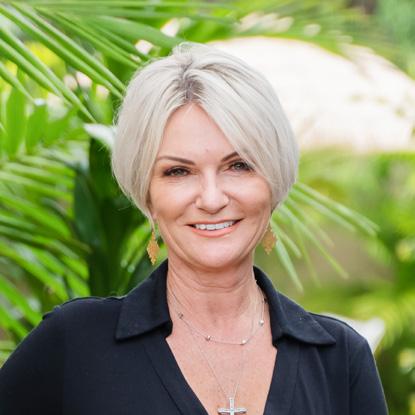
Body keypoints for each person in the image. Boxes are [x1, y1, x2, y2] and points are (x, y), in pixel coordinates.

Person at [0, 42, 388, 415]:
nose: (212, 198)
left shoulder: (340, 360)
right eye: (178, 171)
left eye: (238, 165)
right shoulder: (75, 345)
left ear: (273, 182)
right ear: (148, 197)